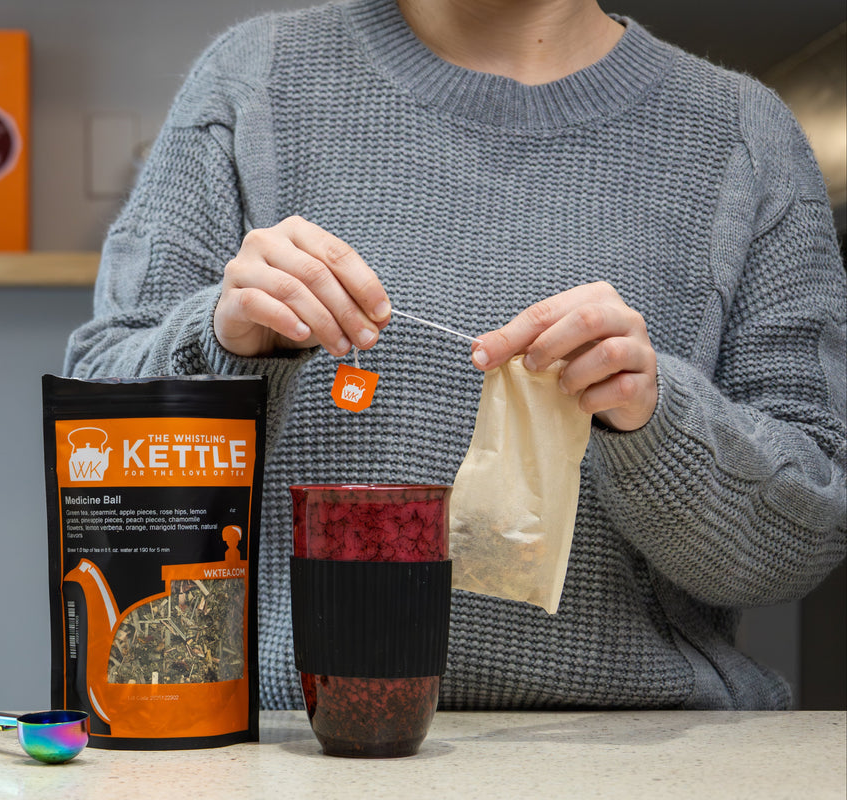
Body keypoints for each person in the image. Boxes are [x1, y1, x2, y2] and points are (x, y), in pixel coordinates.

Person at [64, 0, 847, 710]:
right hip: (294, 755)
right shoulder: (254, 81)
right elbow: (91, 445)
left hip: (650, 762)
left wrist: (655, 421)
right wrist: (221, 339)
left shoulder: (745, 138)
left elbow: (808, 536)